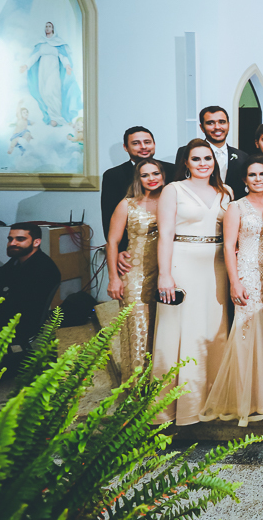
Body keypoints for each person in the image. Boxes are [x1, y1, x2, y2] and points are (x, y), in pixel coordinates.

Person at [154, 138, 233, 426]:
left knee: (213, 330)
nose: (203, 164)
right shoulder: (173, 190)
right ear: (186, 163)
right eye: (197, 159)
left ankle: (210, 399)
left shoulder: (226, 192)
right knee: (179, 331)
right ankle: (174, 407)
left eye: (208, 158)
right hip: (182, 262)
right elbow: (164, 235)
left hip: (217, 267)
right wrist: (165, 274)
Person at [201, 156, 263, 426]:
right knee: (247, 330)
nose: (259, 179)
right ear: (245, 180)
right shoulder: (236, 207)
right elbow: (228, 247)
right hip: (247, 272)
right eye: (253, 175)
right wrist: (235, 281)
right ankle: (246, 399)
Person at [105, 158, 166, 380]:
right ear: (138, 178)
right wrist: (114, 278)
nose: (151, 179)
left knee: (162, 332)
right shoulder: (127, 204)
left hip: (166, 274)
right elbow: (112, 242)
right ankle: (136, 389)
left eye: (155, 173)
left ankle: (161, 389)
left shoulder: (172, 201)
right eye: (145, 175)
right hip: (135, 275)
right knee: (138, 330)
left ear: (163, 175)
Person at [0, 224, 61, 366]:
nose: (12, 243)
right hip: (12, 314)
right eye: (10, 239)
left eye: (20, 239)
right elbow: (2, 275)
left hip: (21, 324)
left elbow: (18, 305)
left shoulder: (41, 268)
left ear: (36, 242)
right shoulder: (19, 258)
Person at [101, 126, 175, 244]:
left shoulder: (172, 170)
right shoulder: (113, 176)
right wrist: (119, 250)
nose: (143, 147)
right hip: (131, 248)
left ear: (154, 144)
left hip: (169, 244)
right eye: (136, 143)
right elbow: (108, 217)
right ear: (125, 147)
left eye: (147, 142)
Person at [19, 21, 80, 127]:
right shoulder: (41, 43)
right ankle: (51, 117)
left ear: (53, 29)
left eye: (49, 26)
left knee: (52, 91)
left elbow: (63, 56)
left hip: (53, 70)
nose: (48, 28)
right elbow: (34, 56)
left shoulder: (58, 42)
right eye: (46, 26)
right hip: (43, 71)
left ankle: (56, 117)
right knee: (43, 92)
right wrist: (26, 65)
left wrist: (67, 66)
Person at [199, 106, 247, 197]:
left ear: (228, 125)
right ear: (202, 127)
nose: (217, 127)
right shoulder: (188, 153)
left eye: (222, 122)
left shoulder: (243, 157)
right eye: (210, 123)